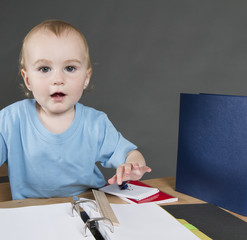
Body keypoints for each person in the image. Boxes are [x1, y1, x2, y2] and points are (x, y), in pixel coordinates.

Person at [0, 19, 151, 200]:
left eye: (70, 68)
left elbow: (130, 154)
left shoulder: (95, 123)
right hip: (31, 213)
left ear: (86, 78)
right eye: (44, 68)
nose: (58, 79)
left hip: (89, 206)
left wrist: (132, 165)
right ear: (28, 80)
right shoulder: (10, 120)